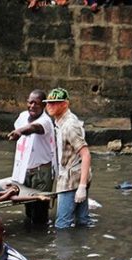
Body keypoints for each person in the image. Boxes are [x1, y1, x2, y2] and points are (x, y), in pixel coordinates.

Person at [43, 88, 92, 229]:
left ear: (65, 104)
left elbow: (86, 154)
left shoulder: (69, 126)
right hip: (77, 175)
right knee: (82, 221)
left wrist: (82, 187)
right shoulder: (61, 122)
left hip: (71, 180)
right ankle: (82, 247)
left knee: (62, 225)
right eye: (48, 103)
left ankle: (63, 250)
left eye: (55, 103)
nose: (50, 106)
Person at [7, 89, 56, 225]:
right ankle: (29, 234)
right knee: (28, 207)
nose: (32, 106)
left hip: (41, 172)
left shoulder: (46, 121)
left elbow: (34, 128)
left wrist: (19, 131)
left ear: (44, 106)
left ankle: (41, 239)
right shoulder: (23, 116)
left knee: (40, 209)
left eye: (37, 103)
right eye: (30, 102)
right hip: (24, 170)